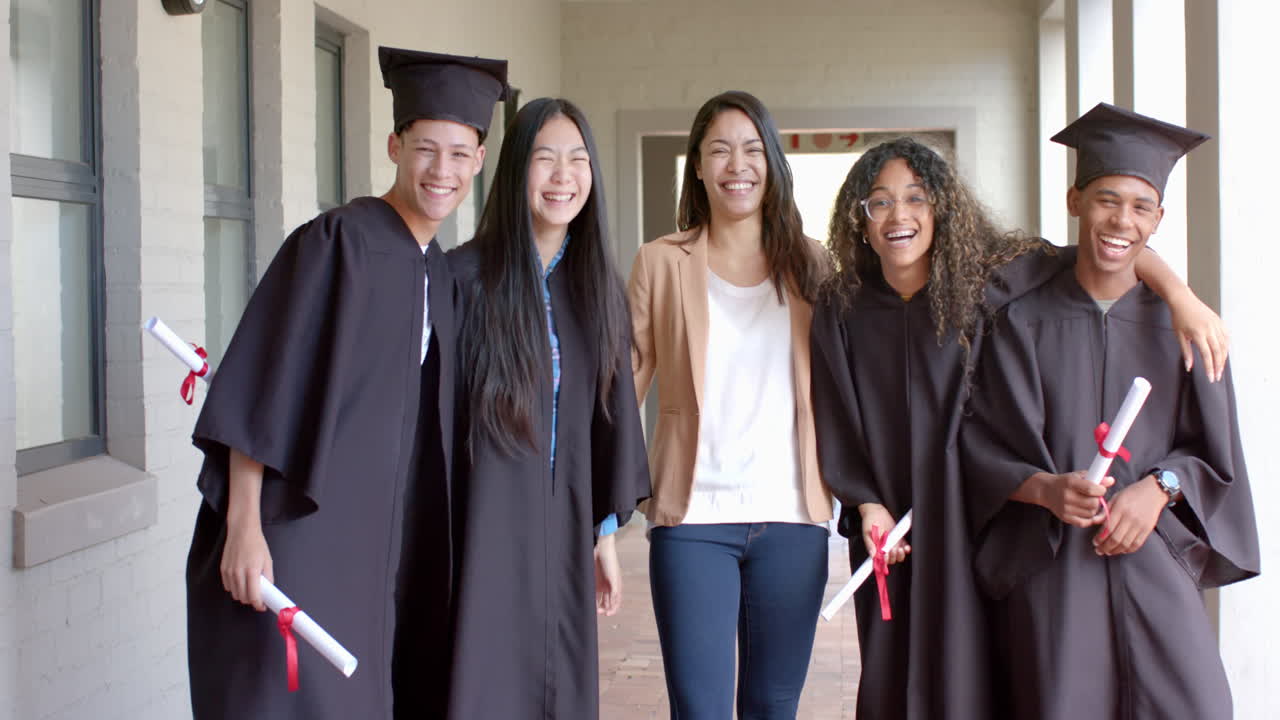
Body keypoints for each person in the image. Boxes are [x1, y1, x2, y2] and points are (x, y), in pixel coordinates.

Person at [810, 136, 1231, 719]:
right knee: (895, 678)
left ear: (942, 209)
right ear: (859, 217)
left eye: (916, 197)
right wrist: (865, 504)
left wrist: (1180, 295)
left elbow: (1103, 246)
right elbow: (837, 414)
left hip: (975, 518)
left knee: (983, 674)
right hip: (897, 531)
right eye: (879, 202)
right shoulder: (842, 305)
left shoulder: (987, 283)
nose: (899, 215)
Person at [184, 47, 505, 719]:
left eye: (457, 153)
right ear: (394, 146)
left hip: (378, 553)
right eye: (424, 149)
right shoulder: (337, 245)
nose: (439, 170)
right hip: (299, 535)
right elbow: (262, 388)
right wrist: (244, 525)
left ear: (478, 160)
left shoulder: (438, 274)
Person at [960, 103, 1259, 719]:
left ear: (1159, 219)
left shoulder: (1186, 329)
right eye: (1106, 199)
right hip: (1053, 565)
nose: (1122, 220)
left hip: (1153, 559)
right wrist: (1045, 490)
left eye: (1141, 206)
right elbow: (981, 445)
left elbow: (1215, 457)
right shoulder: (1021, 320)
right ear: (1074, 203)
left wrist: (1159, 488)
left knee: (1194, 704)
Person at [430, 97, 650, 719]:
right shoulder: (462, 279)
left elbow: (603, 420)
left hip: (563, 529)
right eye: (545, 159)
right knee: (484, 681)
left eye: (577, 160)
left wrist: (602, 534)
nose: (563, 176)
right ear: (513, 171)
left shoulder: (594, 287)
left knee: (560, 686)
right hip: (483, 524)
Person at [629, 90, 832, 719]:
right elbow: (623, 383)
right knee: (700, 708)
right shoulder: (661, 262)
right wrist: (600, 509)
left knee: (774, 707)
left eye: (750, 149)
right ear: (697, 165)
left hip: (793, 516)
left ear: (771, 161)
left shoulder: (813, 266)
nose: (736, 164)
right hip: (692, 519)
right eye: (718, 149)